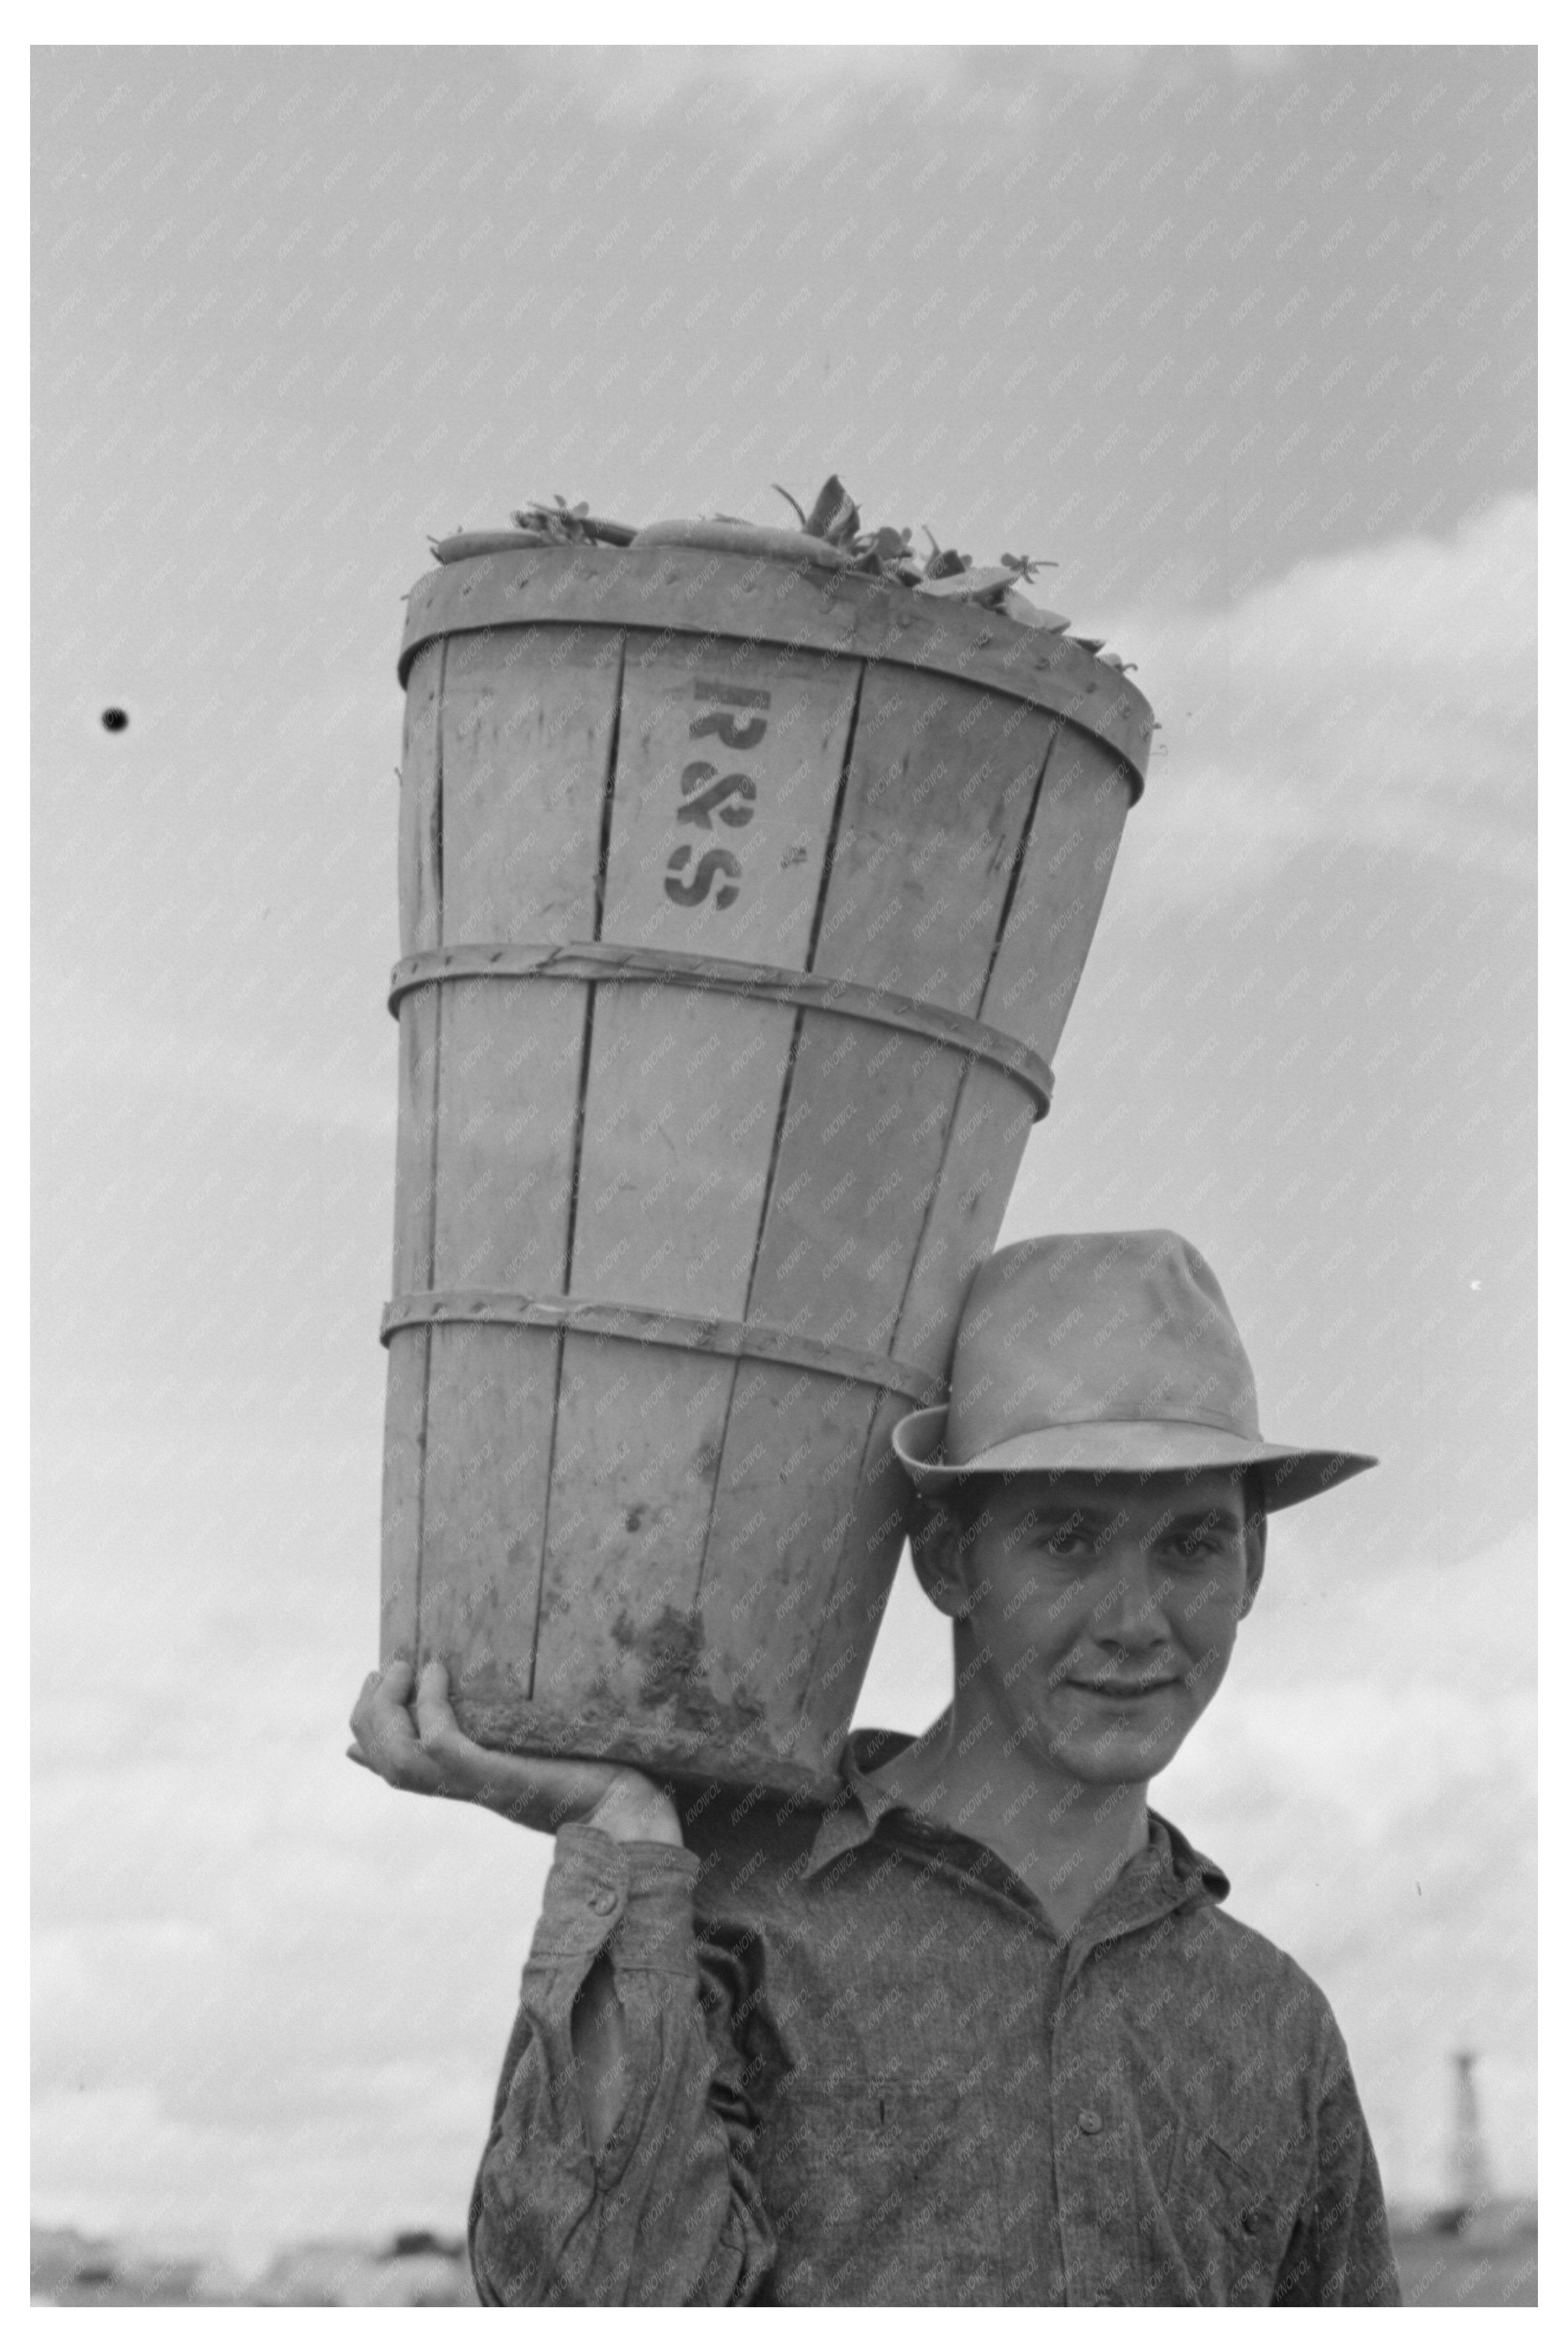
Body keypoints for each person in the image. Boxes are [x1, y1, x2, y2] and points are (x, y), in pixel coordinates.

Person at [349, 1229, 1403, 2306]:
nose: (1136, 1620)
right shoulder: (725, 1913)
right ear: (947, 1558)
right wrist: (623, 1839)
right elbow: (583, 2305)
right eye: (1068, 1540)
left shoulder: (1274, 2022)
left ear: (1252, 1565)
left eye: (1190, 1545)